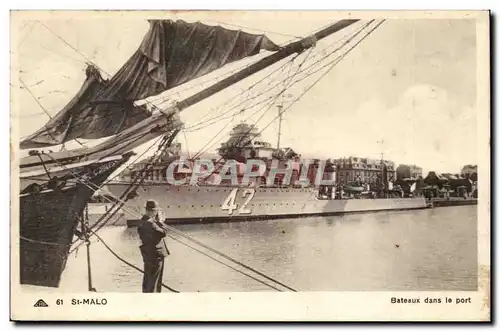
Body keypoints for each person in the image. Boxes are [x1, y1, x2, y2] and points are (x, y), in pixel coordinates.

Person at [137, 200, 170, 293]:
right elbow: (164, 232)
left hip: (148, 255)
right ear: (154, 211)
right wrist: (161, 221)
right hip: (156, 256)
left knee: (148, 280)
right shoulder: (151, 223)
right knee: (155, 282)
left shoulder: (142, 221)